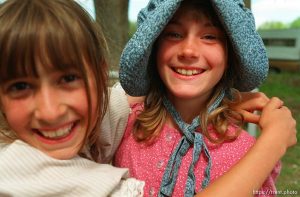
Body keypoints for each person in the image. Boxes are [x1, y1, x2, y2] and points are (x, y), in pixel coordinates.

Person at [0, 0, 296, 196]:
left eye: (210, 37)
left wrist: (221, 100)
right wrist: (273, 142)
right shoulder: (15, 169)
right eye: (173, 34)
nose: (51, 110)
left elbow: (114, 98)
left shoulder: (243, 147)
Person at [114, 0, 297, 197]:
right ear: (154, 49)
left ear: (230, 56)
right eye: (174, 34)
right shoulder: (123, 125)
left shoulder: (248, 153)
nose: (188, 51)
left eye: (209, 36)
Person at [0, 0, 144, 196]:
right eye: (20, 86)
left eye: (68, 79)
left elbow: (120, 101)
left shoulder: (91, 113)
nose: (50, 112)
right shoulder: (14, 173)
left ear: (100, 74)